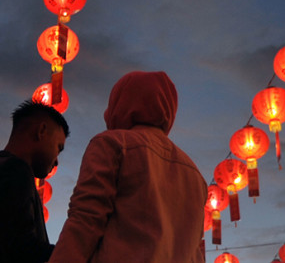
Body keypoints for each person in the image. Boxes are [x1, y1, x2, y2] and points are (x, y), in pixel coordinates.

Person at [49, 71, 207, 263]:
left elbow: (86, 219)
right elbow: (195, 251)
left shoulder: (112, 144)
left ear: (119, 103)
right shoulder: (195, 176)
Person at [0, 100, 69, 263]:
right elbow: (22, 249)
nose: (56, 161)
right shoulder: (14, 171)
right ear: (41, 131)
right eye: (58, 147)